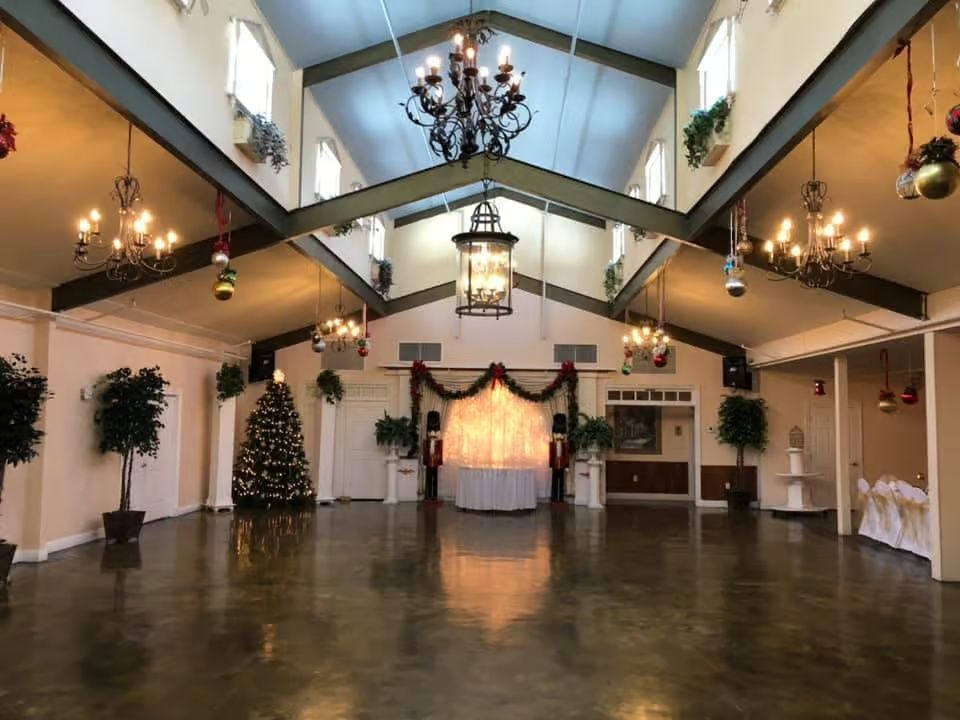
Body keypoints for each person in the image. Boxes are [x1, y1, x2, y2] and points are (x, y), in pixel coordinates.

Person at [423, 410, 443, 503]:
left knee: (435, 477)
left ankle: (434, 495)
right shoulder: (426, 438)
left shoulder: (439, 438)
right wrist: (424, 460)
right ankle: (427, 494)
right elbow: (425, 448)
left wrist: (440, 461)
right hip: (428, 460)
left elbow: (440, 449)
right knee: (428, 476)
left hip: (435, 460)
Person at [549, 413, 569, 503]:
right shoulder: (552, 445)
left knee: (561, 481)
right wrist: (550, 465)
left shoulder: (565, 445)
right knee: (554, 480)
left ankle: (561, 498)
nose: (559, 436)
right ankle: (553, 497)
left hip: (562, 464)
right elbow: (551, 455)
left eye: (561, 433)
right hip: (554, 464)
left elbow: (566, 455)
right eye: (557, 433)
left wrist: (567, 465)